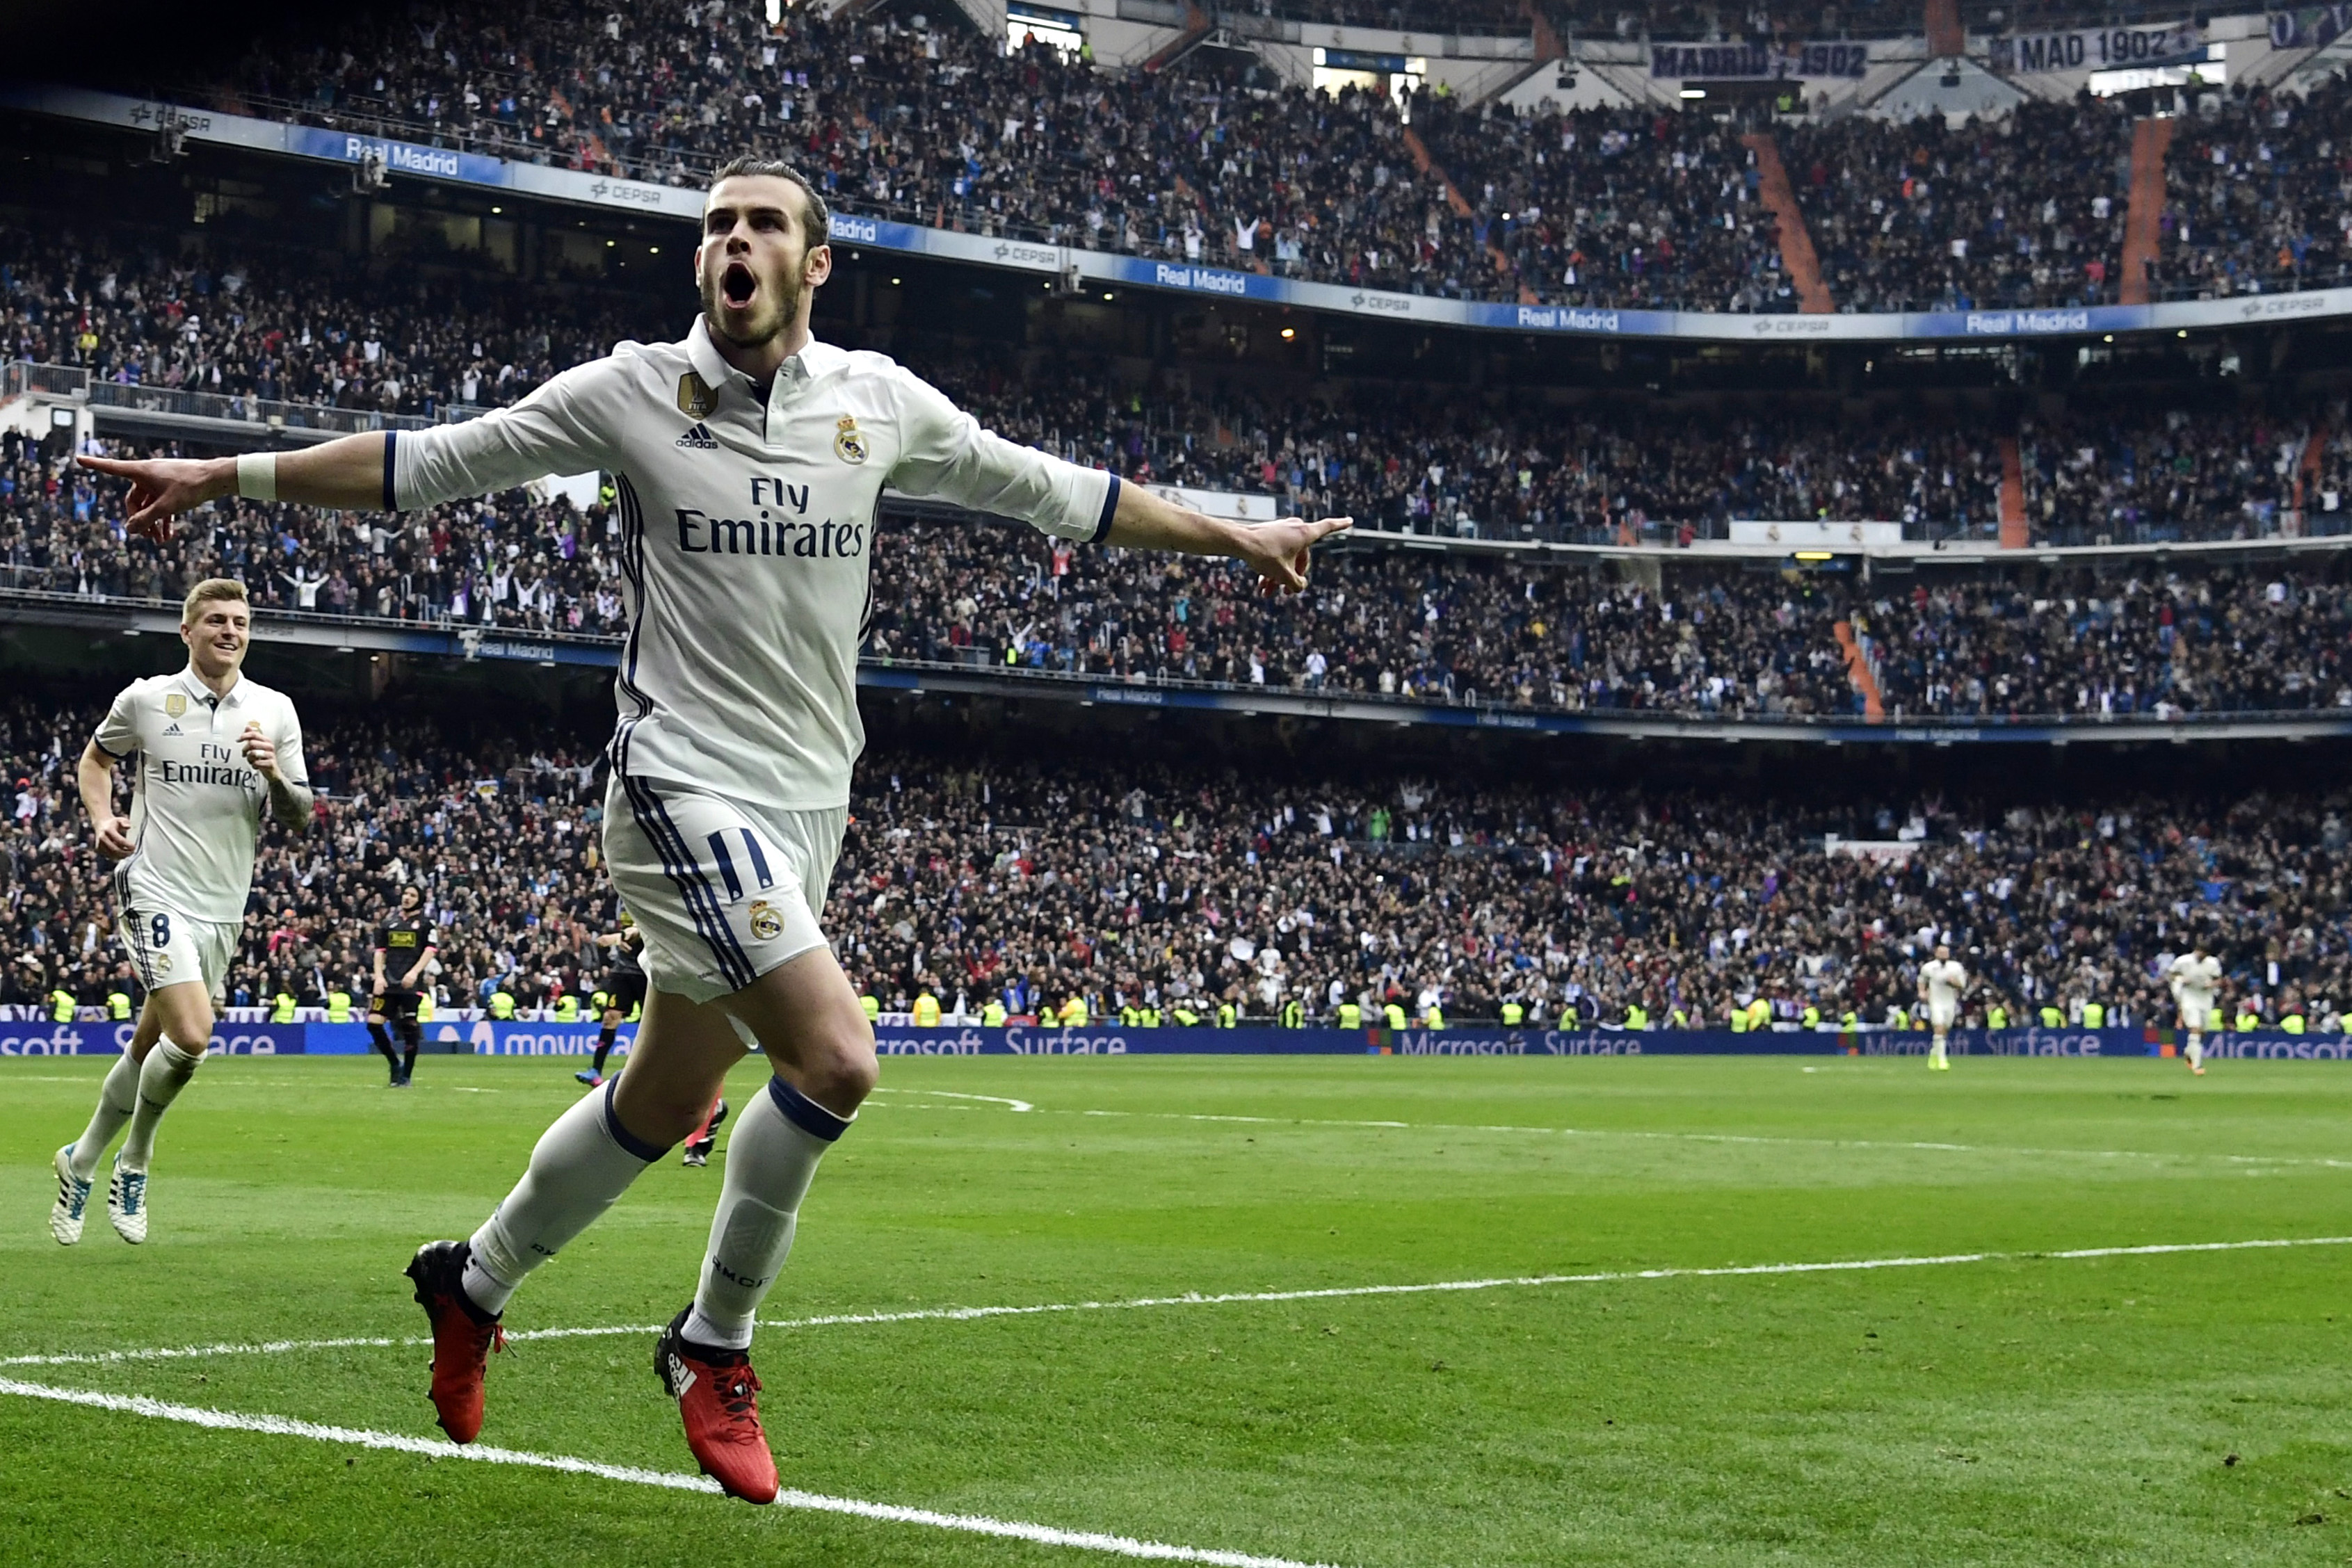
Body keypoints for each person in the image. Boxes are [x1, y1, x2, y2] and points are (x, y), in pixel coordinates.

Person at [81, 156, 1348, 1504]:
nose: (735, 241)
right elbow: (424, 467)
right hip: (678, 783)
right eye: (717, 225)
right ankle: (711, 1342)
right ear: (703, 261)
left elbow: (1058, 492)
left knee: (666, 1094)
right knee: (837, 1055)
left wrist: (1232, 534)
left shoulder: (878, 404)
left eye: (763, 224)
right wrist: (225, 473)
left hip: (809, 801)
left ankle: (472, 1279)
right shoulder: (630, 390)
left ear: (813, 264)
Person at [47, 579, 311, 1248]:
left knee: (150, 1043)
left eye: (242, 622)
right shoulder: (146, 699)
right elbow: (95, 759)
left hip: (224, 907)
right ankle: (136, 1158)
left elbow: (302, 815)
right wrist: (104, 816)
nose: (231, 630)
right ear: (187, 631)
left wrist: (274, 775)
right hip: (154, 886)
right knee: (192, 1035)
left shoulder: (275, 711)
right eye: (217, 620)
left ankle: (79, 1160)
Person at [369, 883, 437, 1088]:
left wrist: (415, 972)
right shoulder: (389, 923)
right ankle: (394, 1063)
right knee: (373, 1024)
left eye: (412, 895)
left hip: (410, 983)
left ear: (420, 899)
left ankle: (406, 1075)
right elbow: (380, 952)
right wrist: (379, 977)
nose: (407, 897)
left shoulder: (426, 924)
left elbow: (430, 950)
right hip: (388, 982)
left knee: (409, 1027)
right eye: (406, 894)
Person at [577, 914, 648, 1087]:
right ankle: (595, 1071)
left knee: (653, 1025)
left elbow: (636, 931)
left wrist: (617, 938)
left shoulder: (650, 907)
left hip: (647, 974)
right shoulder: (625, 905)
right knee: (610, 1018)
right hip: (623, 972)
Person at [2168, 942, 2223, 1076]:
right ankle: (2197, 1065)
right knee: (2195, 1028)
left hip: (2205, 998)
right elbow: (2172, 974)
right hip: (2189, 997)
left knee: (2202, 1032)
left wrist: (2212, 984)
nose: (2201, 956)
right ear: (2196, 950)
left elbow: (2219, 980)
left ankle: (2188, 1051)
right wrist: (2181, 979)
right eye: (2200, 952)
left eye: (2204, 954)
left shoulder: (2213, 963)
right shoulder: (2183, 961)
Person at [1917, 943, 1967, 1073]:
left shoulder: (1956, 967)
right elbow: (1921, 980)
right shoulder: (1929, 967)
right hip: (1936, 1002)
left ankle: (1934, 1055)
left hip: (1950, 1002)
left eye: (1946, 952)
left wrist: (1953, 982)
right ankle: (1943, 1060)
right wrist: (1922, 992)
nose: (1944, 955)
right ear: (1936, 954)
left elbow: (1962, 985)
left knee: (1944, 1030)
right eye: (1941, 952)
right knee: (1938, 1028)